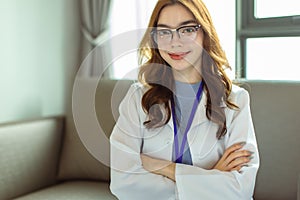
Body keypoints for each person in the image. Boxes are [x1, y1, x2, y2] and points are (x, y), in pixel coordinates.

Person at [110, 0, 259, 199]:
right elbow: (123, 183)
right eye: (164, 32)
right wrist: (210, 178)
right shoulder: (137, 97)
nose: (175, 42)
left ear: (205, 34)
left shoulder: (236, 100)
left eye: (187, 30)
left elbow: (241, 189)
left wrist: (164, 167)